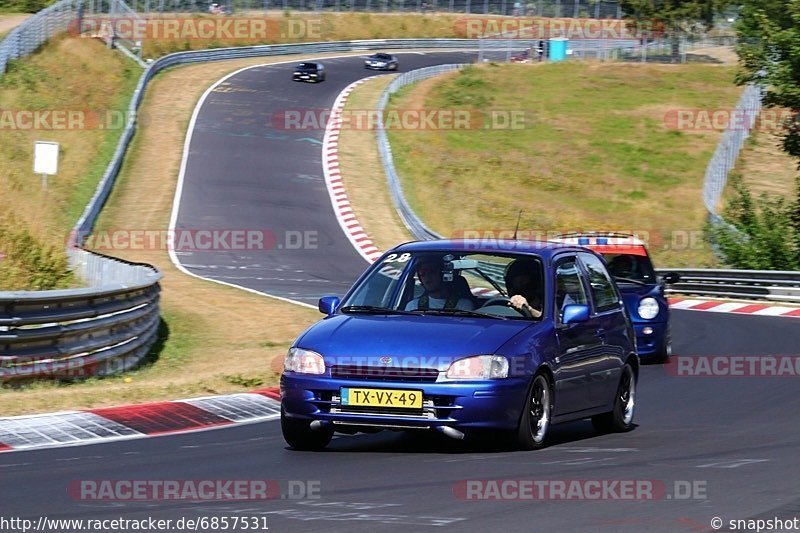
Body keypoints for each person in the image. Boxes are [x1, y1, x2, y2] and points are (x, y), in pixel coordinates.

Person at [405, 260, 474, 311]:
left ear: (443, 275)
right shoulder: (413, 307)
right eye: (423, 273)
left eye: (432, 272)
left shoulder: (463, 306)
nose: (427, 277)